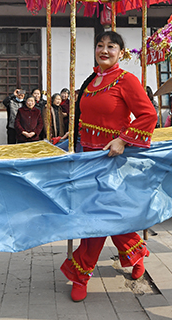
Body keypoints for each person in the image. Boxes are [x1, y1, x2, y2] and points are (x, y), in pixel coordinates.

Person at [60, 31, 157, 302]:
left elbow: (148, 114)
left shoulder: (127, 80)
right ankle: (136, 254)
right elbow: (86, 115)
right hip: (87, 158)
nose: (104, 50)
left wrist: (123, 140)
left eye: (111, 46)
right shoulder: (92, 81)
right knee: (107, 216)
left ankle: (81, 274)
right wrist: (72, 134)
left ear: (121, 53)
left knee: (96, 218)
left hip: (112, 161)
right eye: (100, 45)